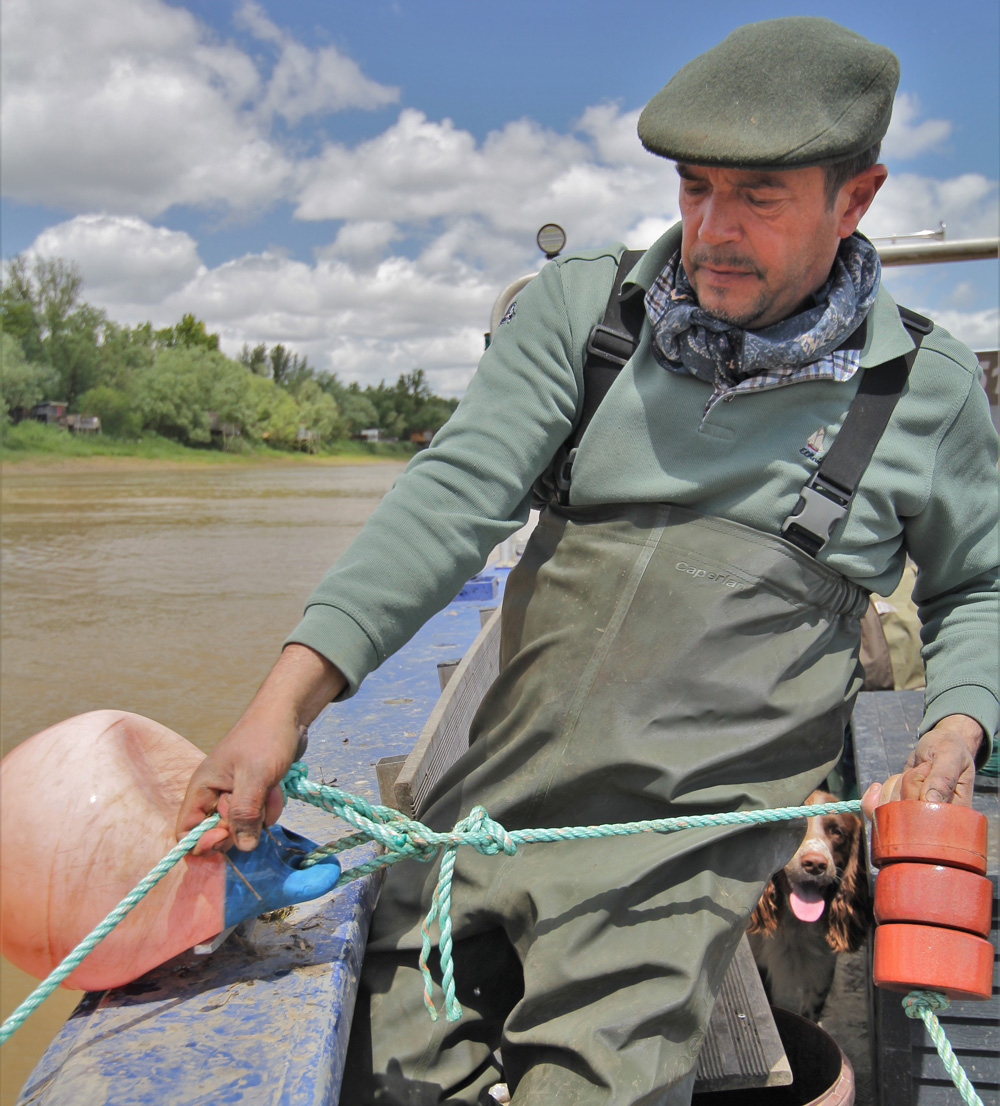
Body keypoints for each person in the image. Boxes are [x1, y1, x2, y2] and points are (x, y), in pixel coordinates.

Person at [178, 17, 998, 1105]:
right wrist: (285, 698)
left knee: (595, 1079)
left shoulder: (925, 392)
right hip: (488, 808)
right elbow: (450, 495)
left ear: (855, 200)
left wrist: (956, 718)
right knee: (392, 1050)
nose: (712, 227)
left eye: (759, 196)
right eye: (695, 186)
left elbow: (976, 585)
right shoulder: (584, 315)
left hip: (673, 865)